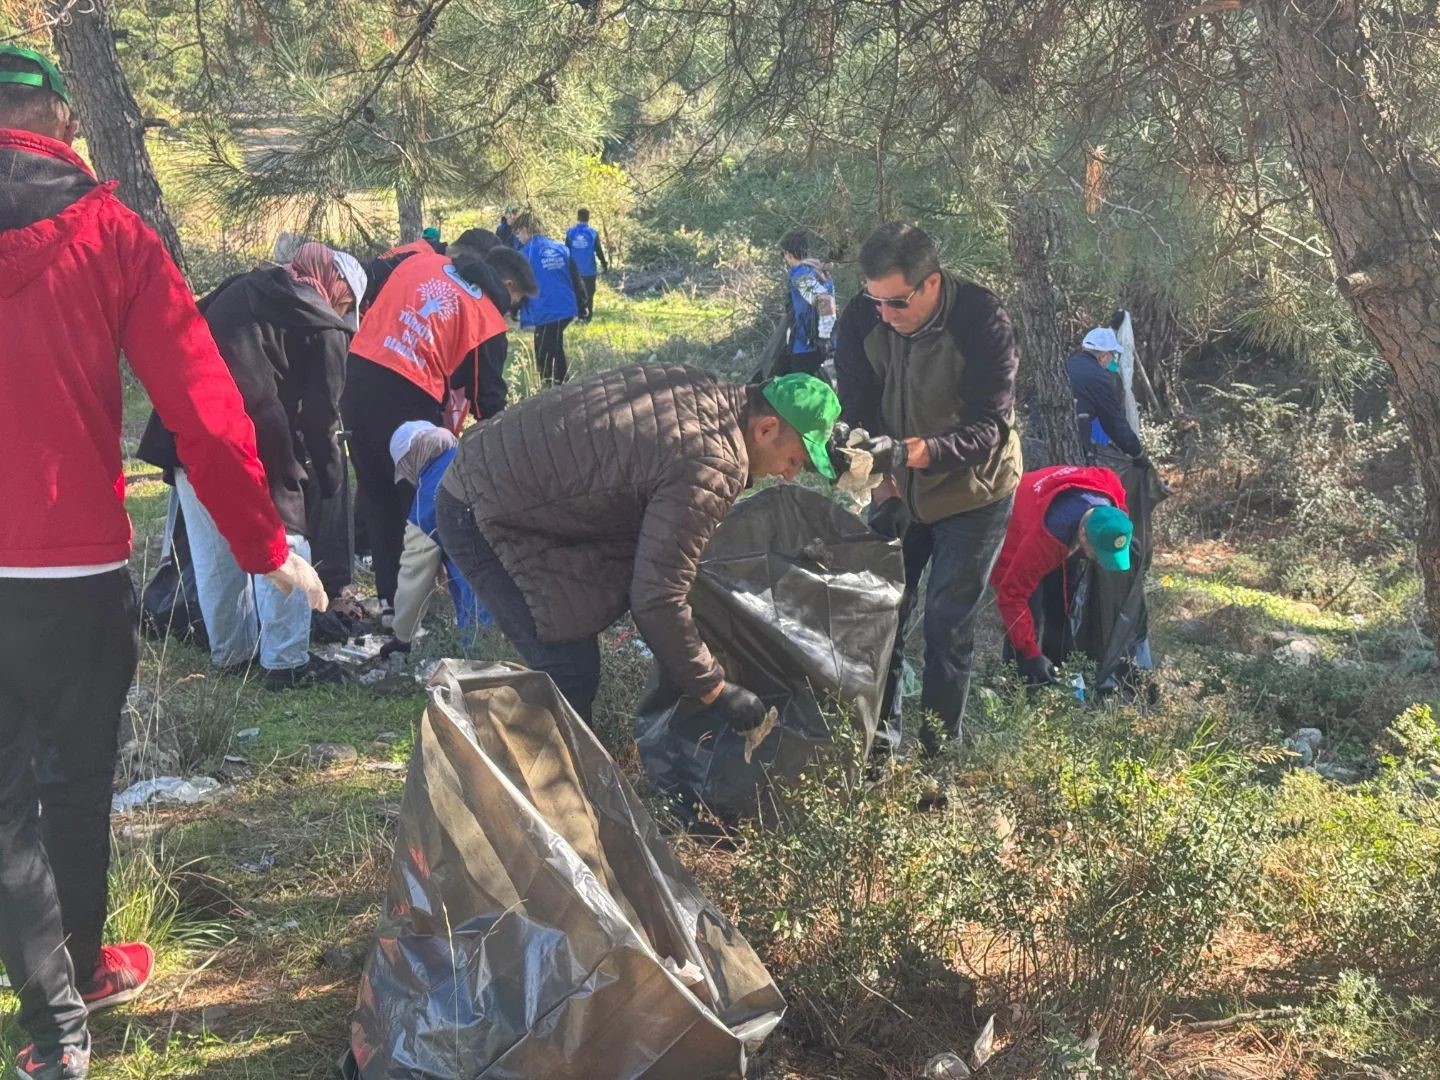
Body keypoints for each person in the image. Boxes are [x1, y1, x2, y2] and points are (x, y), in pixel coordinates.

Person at [0, 45, 326, 1080]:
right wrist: (265, 547)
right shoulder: (112, 233)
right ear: (59, 121)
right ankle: (71, 999)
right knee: (72, 784)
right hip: (74, 569)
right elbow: (205, 410)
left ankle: (57, 1014)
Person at [437, 366, 840, 724]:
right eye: (795, 460)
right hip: (483, 510)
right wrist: (715, 689)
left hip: (504, 478)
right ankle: (533, 796)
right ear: (766, 428)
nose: (789, 475)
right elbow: (656, 597)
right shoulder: (714, 462)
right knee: (566, 670)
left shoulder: (706, 390)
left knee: (571, 650)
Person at [138, 243, 365, 688]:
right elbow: (324, 415)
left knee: (213, 548)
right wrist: (331, 476)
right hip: (255, 434)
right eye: (348, 305)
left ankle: (232, 652)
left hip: (188, 427)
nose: (344, 313)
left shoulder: (239, 288)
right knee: (286, 538)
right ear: (339, 289)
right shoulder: (324, 323)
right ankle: (286, 662)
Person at [833, 221, 1022, 753]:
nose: (885, 317)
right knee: (884, 615)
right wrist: (882, 484)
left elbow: (990, 430)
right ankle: (878, 754)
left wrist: (913, 452)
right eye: (876, 303)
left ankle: (938, 759)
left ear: (932, 283)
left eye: (897, 303)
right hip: (899, 489)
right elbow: (857, 412)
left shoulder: (983, 320)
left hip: (975, 493)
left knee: (946, 626)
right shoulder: (860, 318)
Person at [343, 241, 535, 624]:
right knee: (424, 508)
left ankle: (390, 603)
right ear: (506, 286)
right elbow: (487, 402)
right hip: (408, 400)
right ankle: (423, 613)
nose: (514, 311)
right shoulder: (486, 318)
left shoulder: (422, 264)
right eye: (517, 300)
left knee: (377, 496)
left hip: (355, 378)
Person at [990, 466, 1132, 685]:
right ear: (1083, 535)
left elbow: (1108, 476)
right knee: (1030, 609)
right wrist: (1031, 653)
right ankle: (1019, 684)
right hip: (1013, 518)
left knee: (1063, 599)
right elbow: (1011, 596)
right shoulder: (1046, 538)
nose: (1097, 560)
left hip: (1057, 509)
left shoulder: (1110, 492)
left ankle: (1057, 668)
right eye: (1097, 553)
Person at [378, 422, 489, 661]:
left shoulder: (425, 507)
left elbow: (414, 579)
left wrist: (402, 637)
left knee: (488, 666)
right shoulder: (478, 453)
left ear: (410, 461)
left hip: (489, 605)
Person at [512, 210, 584, 385]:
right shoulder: (560, 248)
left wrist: (514, 308)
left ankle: (553, 386)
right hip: (566, 307)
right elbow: (576, 277)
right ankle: (559, 385)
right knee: (553, 343)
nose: (518, 238)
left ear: (524, 229)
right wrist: (583, 303)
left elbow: (520, 286)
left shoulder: (524, 254)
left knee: (543, 349)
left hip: (547, 308)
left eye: (517, 233)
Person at [1067, 325, 1147, 467]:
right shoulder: (1099, 377)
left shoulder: (1065, 365)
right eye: (1112, 355)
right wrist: (1137, 452)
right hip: (1070, 448)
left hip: (1038, 441)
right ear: (1103, 356)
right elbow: (1114, 422)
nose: (1112, 360)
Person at [777, 228, 837, 377]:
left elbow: (825, 301)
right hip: (825, 347)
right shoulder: (820, 271)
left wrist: (824, 335)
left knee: (803, 395)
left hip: (806, 348)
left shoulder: (801, 274)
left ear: (789, 253)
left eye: (783, 254)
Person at [565, 207, 609, 321]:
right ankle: (587, 318)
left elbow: (566, 251)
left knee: (575, 294)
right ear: (588, 218)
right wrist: (604, 264)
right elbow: (599, 251)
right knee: (589, 295)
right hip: (589, 270)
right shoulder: (593, 233)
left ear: (577, 217)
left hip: (574, 271)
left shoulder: (570, 233)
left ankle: (577, 316)